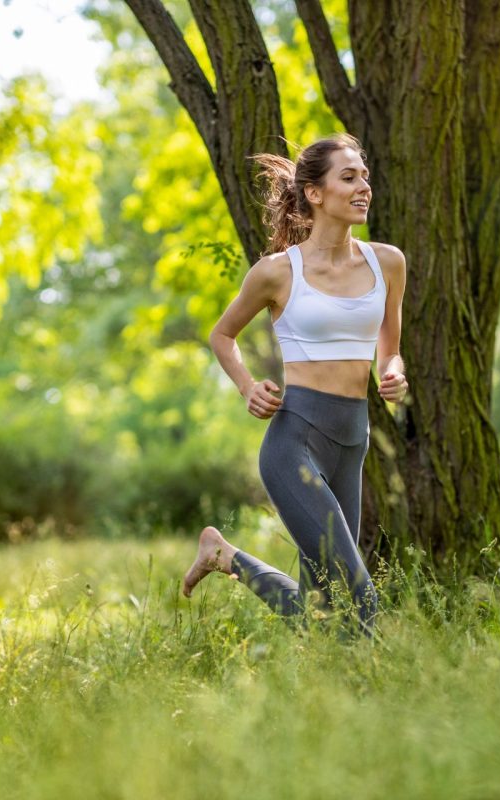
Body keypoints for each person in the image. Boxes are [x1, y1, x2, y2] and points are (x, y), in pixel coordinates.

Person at [180, 133, 407, 637]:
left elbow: (389, 346)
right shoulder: (278, 273)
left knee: (325, 610)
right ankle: (379, 702)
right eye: (348, 177)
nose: (363, 186)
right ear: (315, 193)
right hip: (295, 443)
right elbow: (222, 336)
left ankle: (223, 555)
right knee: (359, 596)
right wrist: (247, 386)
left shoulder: (387, 262)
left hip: (353, 440)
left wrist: (394, 372)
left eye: (364, 175)